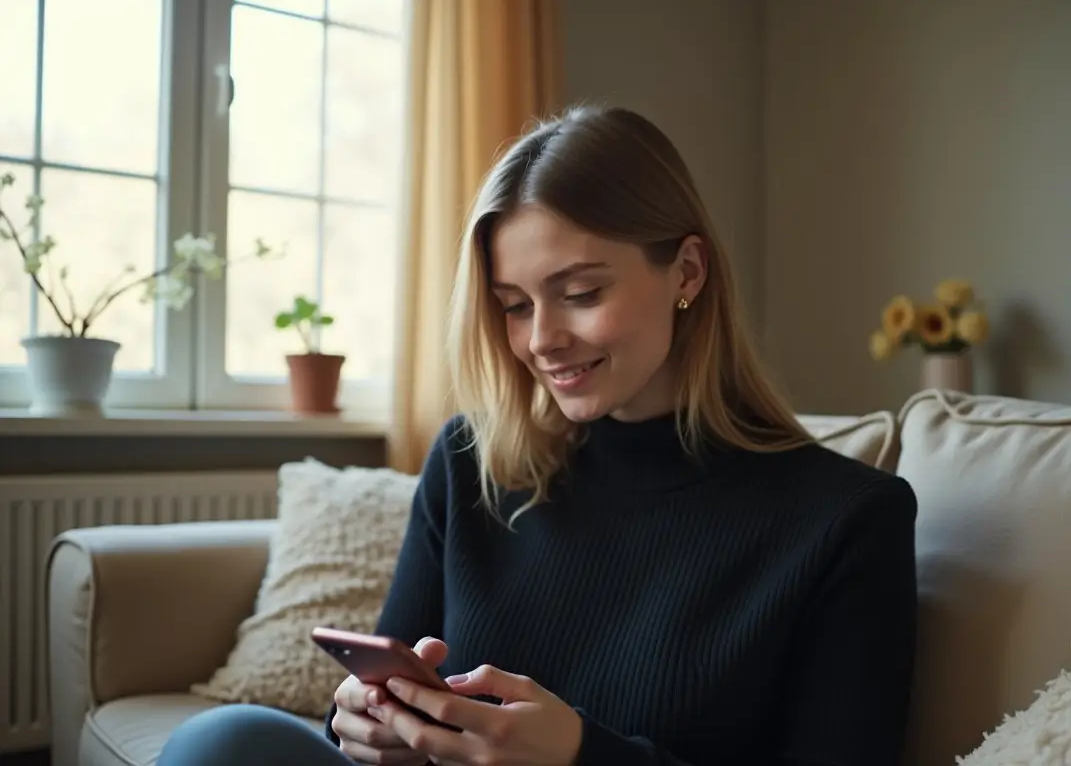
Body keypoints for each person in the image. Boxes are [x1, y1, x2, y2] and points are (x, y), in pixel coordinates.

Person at [159, 104, 918, 766]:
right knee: (219, 743)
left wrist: (583, 757)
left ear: (687, 272)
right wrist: (363, 723)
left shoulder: (846, 519)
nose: (543, 339)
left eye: (580, 293)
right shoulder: (469, 463)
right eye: (515, 305)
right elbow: (376, 696)